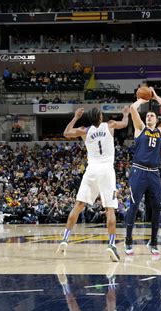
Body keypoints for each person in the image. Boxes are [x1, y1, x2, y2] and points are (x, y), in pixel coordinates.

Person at [56, 106, 130, 262]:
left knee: (78, 205)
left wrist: (76, 117)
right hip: (106, 171)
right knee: (110, 209)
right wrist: (125, 114)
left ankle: (65, 239)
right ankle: (111, 245)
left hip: (91, 170)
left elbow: (66, 133)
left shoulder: (84, 130)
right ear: (101, 117)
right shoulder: (109, 125)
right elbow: (124, 123)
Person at [125, 87, 161, 256]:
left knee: (157, 207)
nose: (149, 116)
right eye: (147, 115)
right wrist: (142, 100)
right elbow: (132, 109)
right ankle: (128, 241)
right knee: (134, 206)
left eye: (152, 115)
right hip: (139, 171)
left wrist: (156, 96)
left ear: (157, 118)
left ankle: (154, 242)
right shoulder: (140, 128)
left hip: (154, 173)